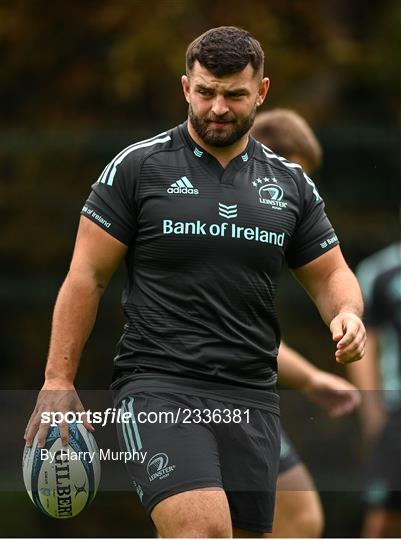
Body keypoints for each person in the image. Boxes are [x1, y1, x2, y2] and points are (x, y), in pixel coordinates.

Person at [25, 26, 366, 538]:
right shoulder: (139, 168)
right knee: (204, 531)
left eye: (234, 95)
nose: (218, 108)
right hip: (161, 385)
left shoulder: (290, 184)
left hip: (251, 394)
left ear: (262, 92)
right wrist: (57, 380)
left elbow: (332, 274)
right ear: (186, 87)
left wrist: (347, 313)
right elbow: (86, 277)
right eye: (205, 92)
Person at [252, 109, 361, 538]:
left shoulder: (274, 234)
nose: (305, 192)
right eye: (299, 174)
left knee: (299, 520)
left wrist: (313, 379)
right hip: (190, 399)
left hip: (248, 397)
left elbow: (246, 336)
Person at [348, 241, 401, 537]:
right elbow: (364, 346)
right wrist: (372, 413)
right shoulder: (380, 271)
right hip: (397, 410)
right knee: (386, 516)